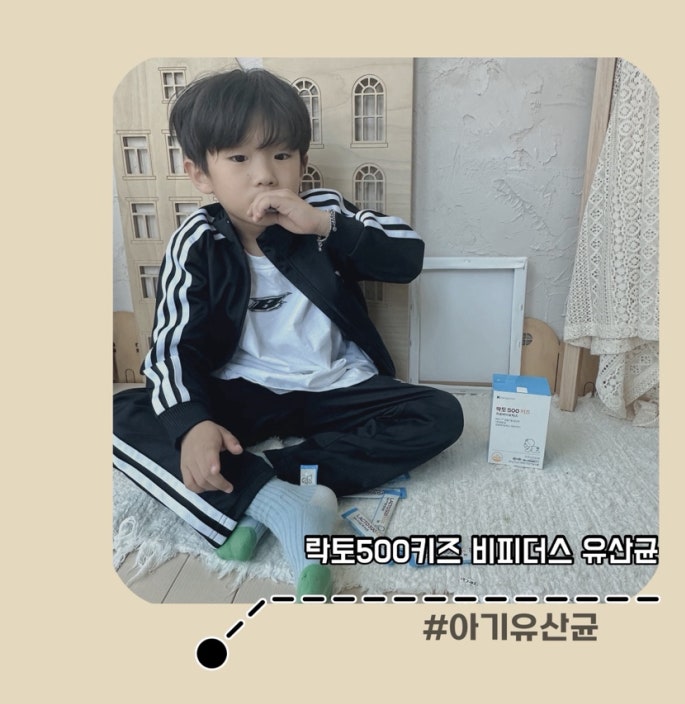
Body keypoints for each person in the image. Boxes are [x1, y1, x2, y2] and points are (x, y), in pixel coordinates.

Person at [113, 67, 464, 599]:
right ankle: (276, 500)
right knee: (125, 414)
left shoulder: (325, 212)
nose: (264, 175)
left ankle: (266, 483)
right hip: (246, 390)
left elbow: (407, 255)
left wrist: (324, 226)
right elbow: (171, 346)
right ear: (200, 173)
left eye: (281, 155)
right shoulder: (198, 240)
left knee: (441, 414)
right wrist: (193, 425)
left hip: (336, 383)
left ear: (301, 160)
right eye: (238, 159)